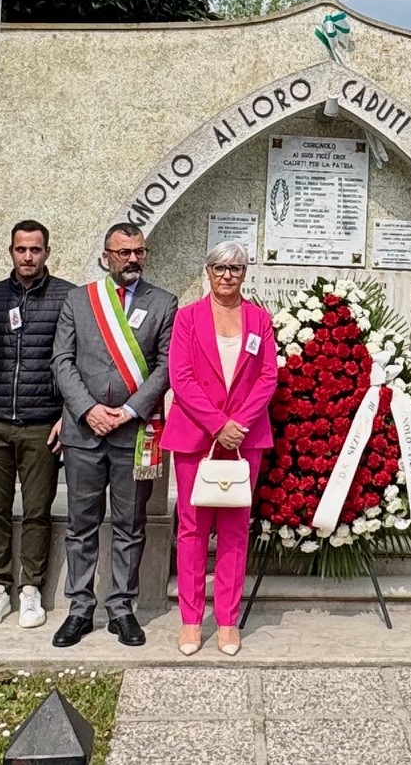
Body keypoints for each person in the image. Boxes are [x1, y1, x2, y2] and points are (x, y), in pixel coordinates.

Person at [49, 220, 177, 648]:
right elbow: (62, 361)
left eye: (139, 251)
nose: (132, 259)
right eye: (123, 252)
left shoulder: (164, 303)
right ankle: (79, 609)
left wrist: (128, 410)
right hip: (84, 434)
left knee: (130, 525)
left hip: (134, 434)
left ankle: (122, 609)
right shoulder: (79, 300)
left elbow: (166, 367)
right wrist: (88, 410)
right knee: (81, 525)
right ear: (106, 256)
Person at [163, 240, 279, 656]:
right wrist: (217, 424)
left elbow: (267, 378)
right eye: (219, 267)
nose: (227, 274)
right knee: (193, 528)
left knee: (233, 531)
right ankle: (192, 621)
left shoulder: (260, 320)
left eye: (235, 267)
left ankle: (227, 621)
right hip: (197, 437)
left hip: (245, 438)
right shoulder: (187, 318)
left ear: (245, 273)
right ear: (207, 272)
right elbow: (181, 375)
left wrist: (239, 424)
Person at [0, 219, 73, 630]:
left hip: (42, 423)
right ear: (10, 251)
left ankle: (31, 590)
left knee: (37, 512)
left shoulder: (67, 297)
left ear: (47, 252)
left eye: (36, 250)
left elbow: (72, 360)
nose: (28, 257)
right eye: (21, 250)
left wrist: (66, 417)